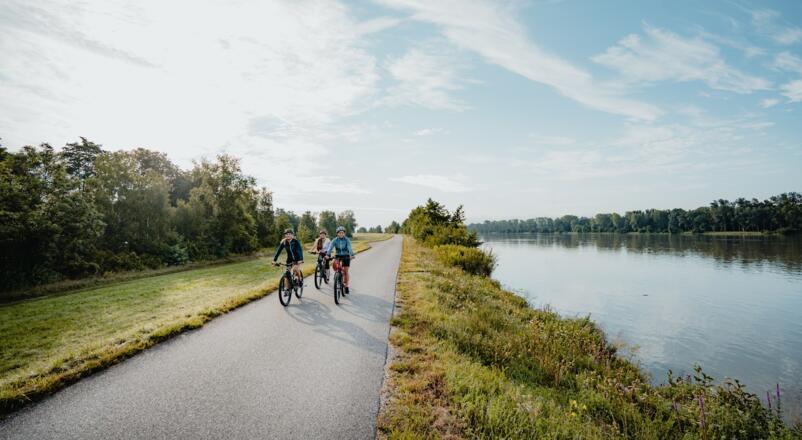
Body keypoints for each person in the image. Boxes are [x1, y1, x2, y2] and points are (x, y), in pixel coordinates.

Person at [327, 226, 355, 293]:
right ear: (337, 234)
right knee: (334, 264)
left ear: (344, 233)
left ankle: (346, 285)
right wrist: (327, 255)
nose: (341, 234)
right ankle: (338, 275)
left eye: (342, 233)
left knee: (345, 271)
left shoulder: (347, 240)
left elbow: (349, 248)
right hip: (338, 255)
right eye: (339, 233)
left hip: (346, 256)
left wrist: (352, 255)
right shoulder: (335, 240)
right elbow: (330, 248)